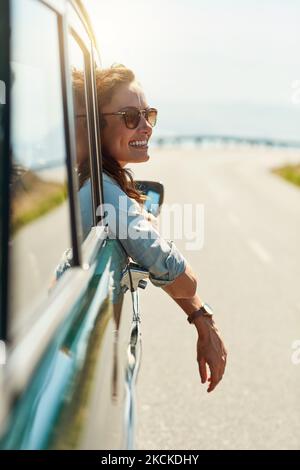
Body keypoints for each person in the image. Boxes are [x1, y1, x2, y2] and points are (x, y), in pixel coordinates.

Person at [90, 64, 227, 393]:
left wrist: (201, 317)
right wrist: (145, 227)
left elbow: (156, 261)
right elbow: (184, 278)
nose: (146, 127)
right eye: (130, 117)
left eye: (149, 114)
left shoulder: (98, 184)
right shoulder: (106, 195)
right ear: (96, 124)